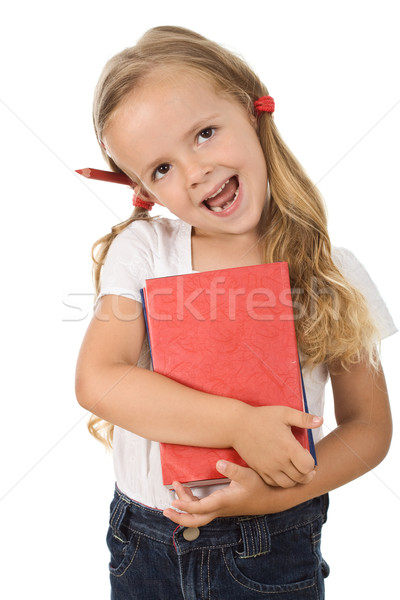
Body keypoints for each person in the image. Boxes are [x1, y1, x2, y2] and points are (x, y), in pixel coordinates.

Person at [75, 25, 396, 599]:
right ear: (143, 189)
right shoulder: (145, 251)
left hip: (274, 542)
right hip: (146, 542)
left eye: (203, 133)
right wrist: (238, 425)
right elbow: (99, 380)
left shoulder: (331, 271)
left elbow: (369, 428)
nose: (194, 171)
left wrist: (281, 493)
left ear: (253, 111)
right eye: (161, 170)